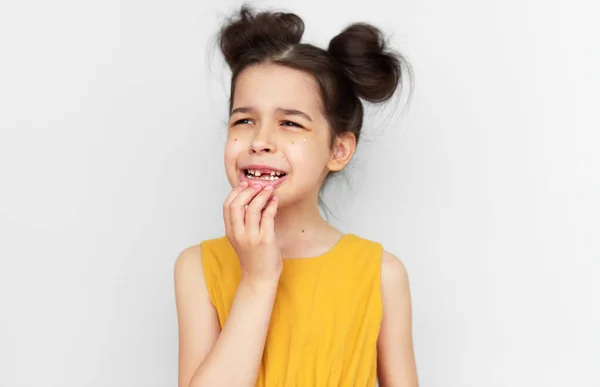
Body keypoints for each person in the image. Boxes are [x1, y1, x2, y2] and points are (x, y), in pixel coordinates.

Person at [174, 5, 418, 387]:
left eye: (290, 123)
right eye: (244, 120)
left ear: (338, 150)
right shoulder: (198, 268)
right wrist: (258, 277)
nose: (261, 141)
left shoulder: (381, 274)